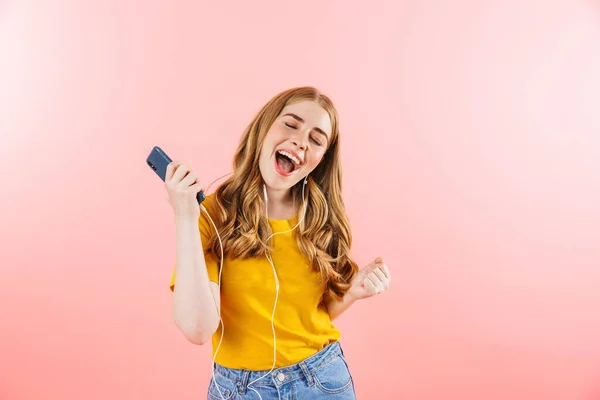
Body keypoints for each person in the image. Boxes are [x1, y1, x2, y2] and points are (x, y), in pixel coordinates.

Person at [165, 86, 391, 400]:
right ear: (264, 128)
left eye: (316, 139)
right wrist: (185, 217)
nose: (301, 140)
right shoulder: (214, 216)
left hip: (322, 380)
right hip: (240, 389)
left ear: (320, 159)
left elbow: (314, 312)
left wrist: (352, 293)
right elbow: (197, 329)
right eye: (291, 124)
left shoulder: (322, 218)